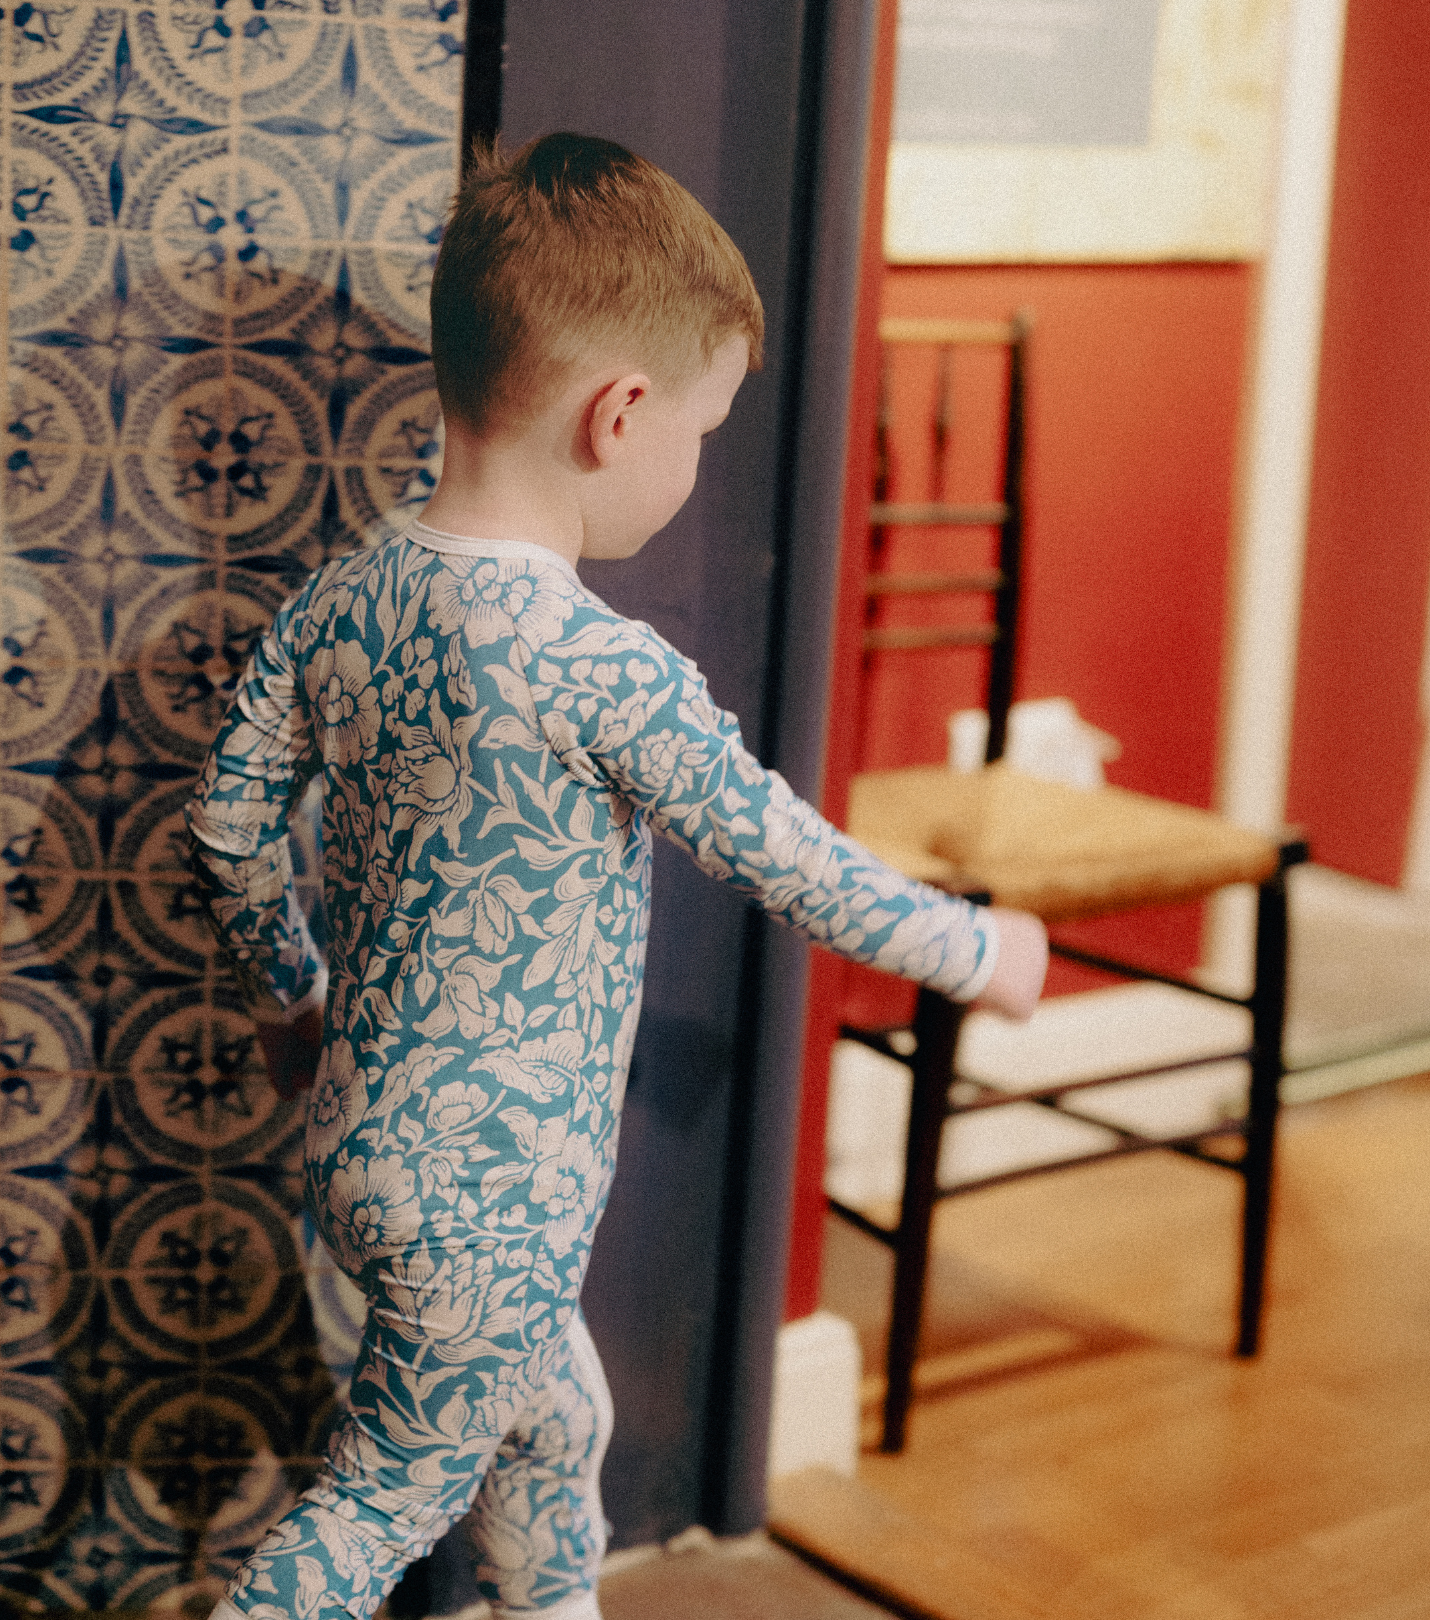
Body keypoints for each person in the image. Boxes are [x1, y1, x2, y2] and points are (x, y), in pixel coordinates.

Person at [187, 132, 1048, 1620]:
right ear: (621, 413)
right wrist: (976, 952)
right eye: (702, 431)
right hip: (496, 1196)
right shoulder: (600, 669)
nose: (694, 468)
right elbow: (792, 860)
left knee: (554, 1428)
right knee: (377, 1504)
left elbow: (226, 822)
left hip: (366, 1144)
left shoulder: (347, 597)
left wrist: (290, 996)